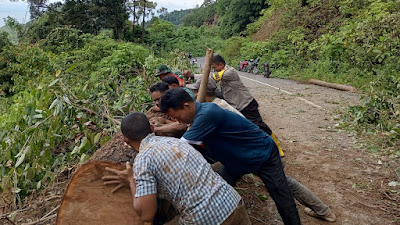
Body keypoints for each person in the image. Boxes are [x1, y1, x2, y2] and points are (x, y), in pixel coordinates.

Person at [160, 88, 301, 225]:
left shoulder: (207, 114)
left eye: (177, 116)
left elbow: (179, 148)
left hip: (262, 154)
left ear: (186, 105)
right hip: (235, 160)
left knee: (281, 196)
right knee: (221, 190)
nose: (176, 120)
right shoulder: (199, 115)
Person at [102, 112, 251, 225]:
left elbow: (146, 215)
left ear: (125, 140)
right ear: (152, 128)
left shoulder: (143, 159)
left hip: (207, 219)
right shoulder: (176, 142)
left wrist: (131, 179)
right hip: (234, 203)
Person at [211, 54, 285, 157]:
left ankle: (277, 147)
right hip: (237, 105)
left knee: (260, 126)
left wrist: (192, 75)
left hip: (246, 104)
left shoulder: (229, 72)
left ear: (221, 64)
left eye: (214, 67)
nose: (214, 70)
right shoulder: (221, 72)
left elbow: (212, 78)